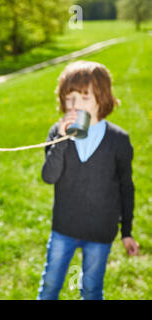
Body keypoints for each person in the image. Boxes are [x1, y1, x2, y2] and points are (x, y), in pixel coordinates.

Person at [37, 60, 139, 300]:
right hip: (64, 228)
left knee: (92, 289)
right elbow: (49, 176)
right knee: (50, 285)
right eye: (69, 99)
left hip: (100, 231)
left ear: (101, 99)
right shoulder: (57, 132)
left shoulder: (118, 140)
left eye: (84, 98)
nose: (75, 106)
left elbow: (126, 187)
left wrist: (127, 231)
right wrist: (62, 141)